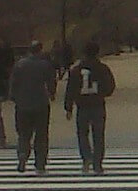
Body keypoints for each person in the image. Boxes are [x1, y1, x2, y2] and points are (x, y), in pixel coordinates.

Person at [64, 42, 116, 175]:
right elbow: (110, 86)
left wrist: (69, 107)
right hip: (97, 104)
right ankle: (98, 163)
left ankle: (86, 157)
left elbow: (70, 89)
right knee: (98, 134)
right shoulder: (102, 68)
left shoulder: (76, 70)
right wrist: (102, 93)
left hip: (82, 105)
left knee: (82, 133)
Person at [8, 41, 57, 175]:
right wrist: (52, 93)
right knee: (41, 134)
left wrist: (13, 97)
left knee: (23, 133)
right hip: (40, 103)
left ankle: (23, 153)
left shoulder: (20, 64)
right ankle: (40, 163)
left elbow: (13, 83)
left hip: (23, 104)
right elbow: (51, 81)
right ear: (39, 50)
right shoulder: (45, 65)